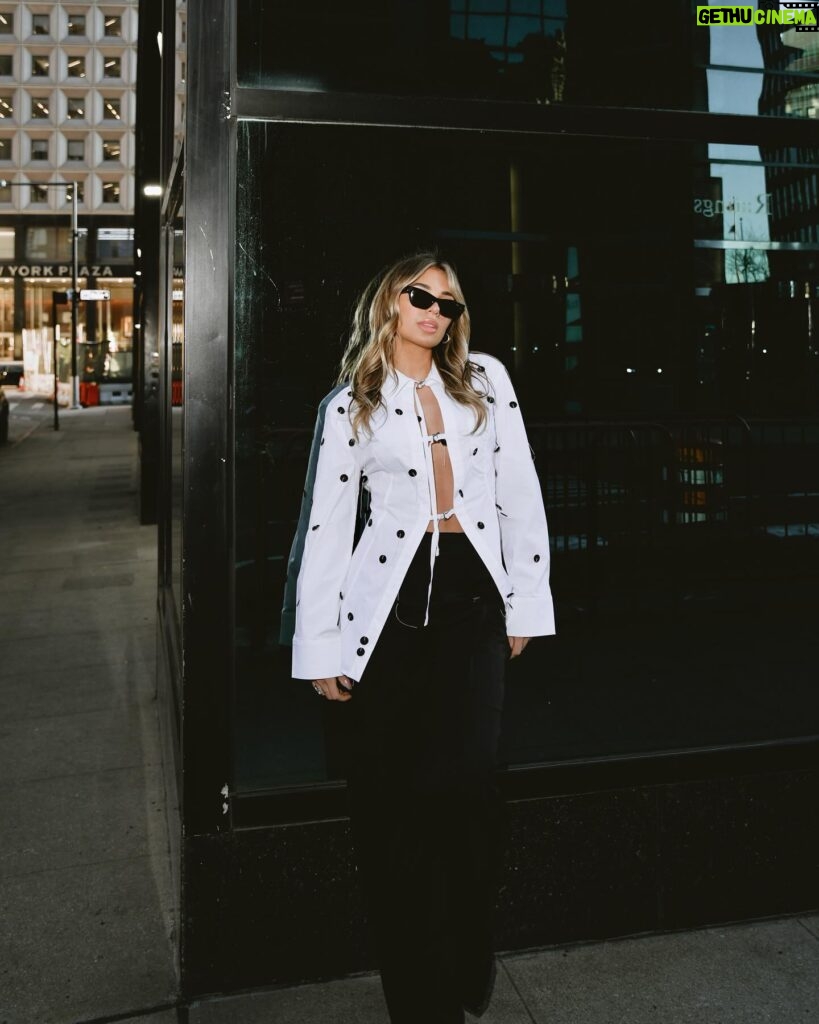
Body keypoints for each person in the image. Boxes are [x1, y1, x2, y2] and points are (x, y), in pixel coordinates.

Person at [285, 252, 555, 1023]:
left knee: (470, 793)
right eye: (420, 296)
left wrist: (526, 604)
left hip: (472, 596)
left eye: (448, 302)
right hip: (388, 608)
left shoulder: (486, 382)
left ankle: (464, 953)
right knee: (394, 809)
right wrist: (322, 647)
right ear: (390, 304)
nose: (435, 311)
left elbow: (519, 491)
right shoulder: (352, 405)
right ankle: (418, 995)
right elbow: (327, 530)